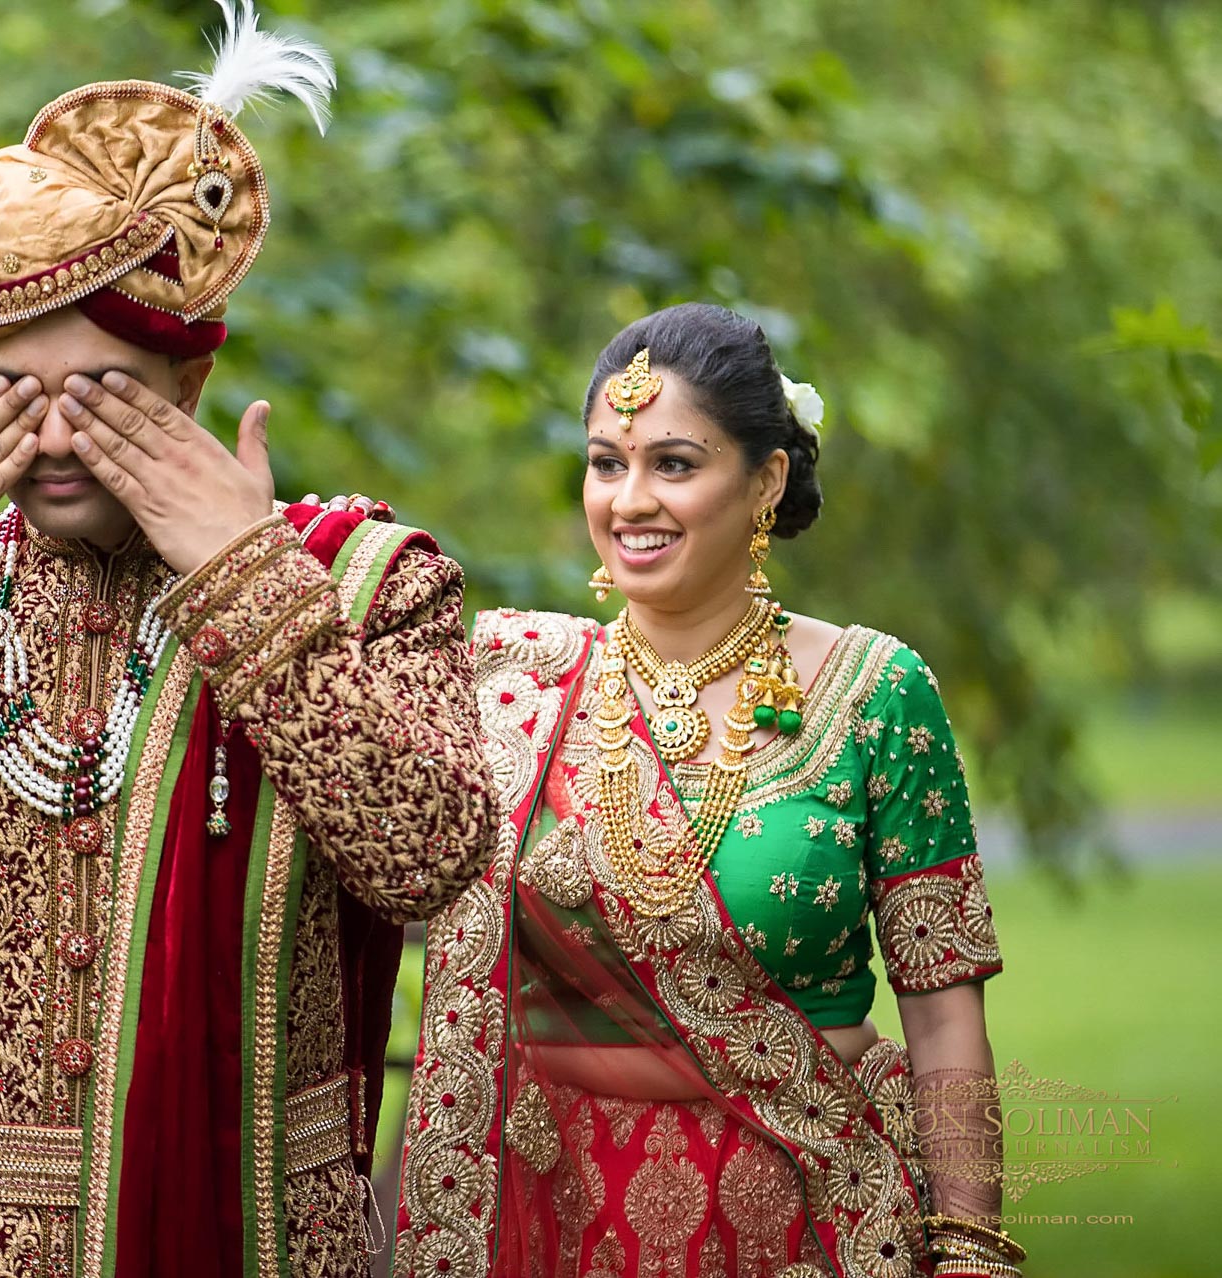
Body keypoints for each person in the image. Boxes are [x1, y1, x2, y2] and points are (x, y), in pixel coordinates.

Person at [0, 6, 497, 1276]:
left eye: (100, 398)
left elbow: (427, 855)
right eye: (13, 398)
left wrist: (248, 582)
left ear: (188, 384)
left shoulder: (358, 584)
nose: (55, 442)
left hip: (261, 1244)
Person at [391, 303, 1020, 1278]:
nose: (629, 499)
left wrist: (972, 1250)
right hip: (555, 1216)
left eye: (673, 464)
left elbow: (942, 1014)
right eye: (607, 463)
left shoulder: (873, 693)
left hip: (808, 1211)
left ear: (765, 479)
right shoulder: (513, 686)